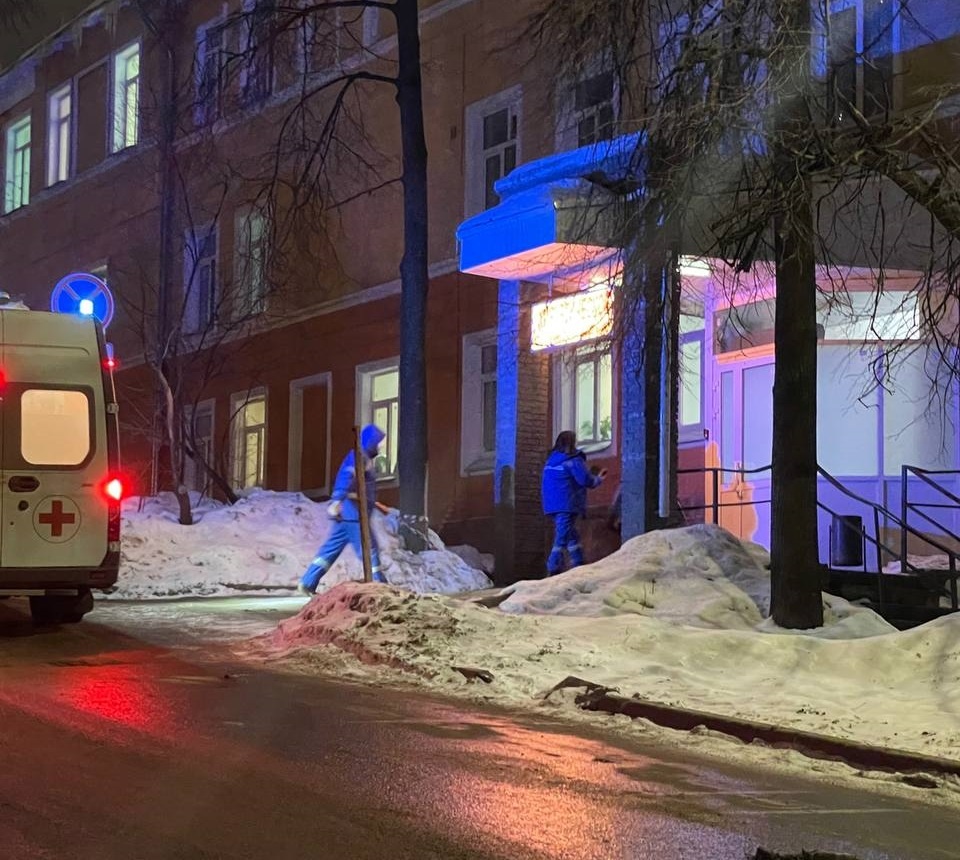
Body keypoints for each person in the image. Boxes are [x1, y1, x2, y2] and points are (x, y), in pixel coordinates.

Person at [298, 424, 389, 595]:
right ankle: (380, 584)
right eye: (379, 442)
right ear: (371, 441)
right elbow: (346, 476)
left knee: (331, 550)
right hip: (353, 513)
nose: (381, 446)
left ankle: (308, 581)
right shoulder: (359, 457)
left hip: (347, 512)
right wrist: (338, 499)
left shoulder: (363, 457)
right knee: (369, 547)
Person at [541, 430, 606, 576]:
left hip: (551, 505)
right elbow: (585, 480)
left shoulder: (551, 460)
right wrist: (598, 479)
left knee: (571, 535)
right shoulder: (573, 460)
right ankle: (553, 566)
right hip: (567, 503)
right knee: (562, 536)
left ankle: (578, 562)